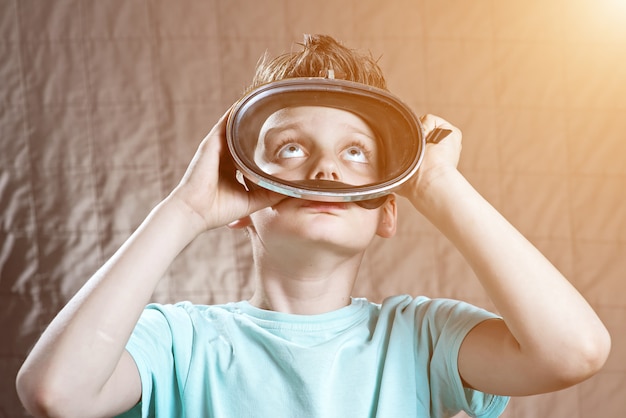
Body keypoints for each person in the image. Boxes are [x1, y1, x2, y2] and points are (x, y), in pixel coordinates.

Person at [16, 34, 610, 418]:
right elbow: (54, 394)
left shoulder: (421, 338)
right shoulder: (178, 344)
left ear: (387, 210)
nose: (325, 167)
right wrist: (185, 210)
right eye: (292, 149)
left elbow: (574, 351)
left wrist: (437, 183)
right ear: (243, 190)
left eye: (356, 154)